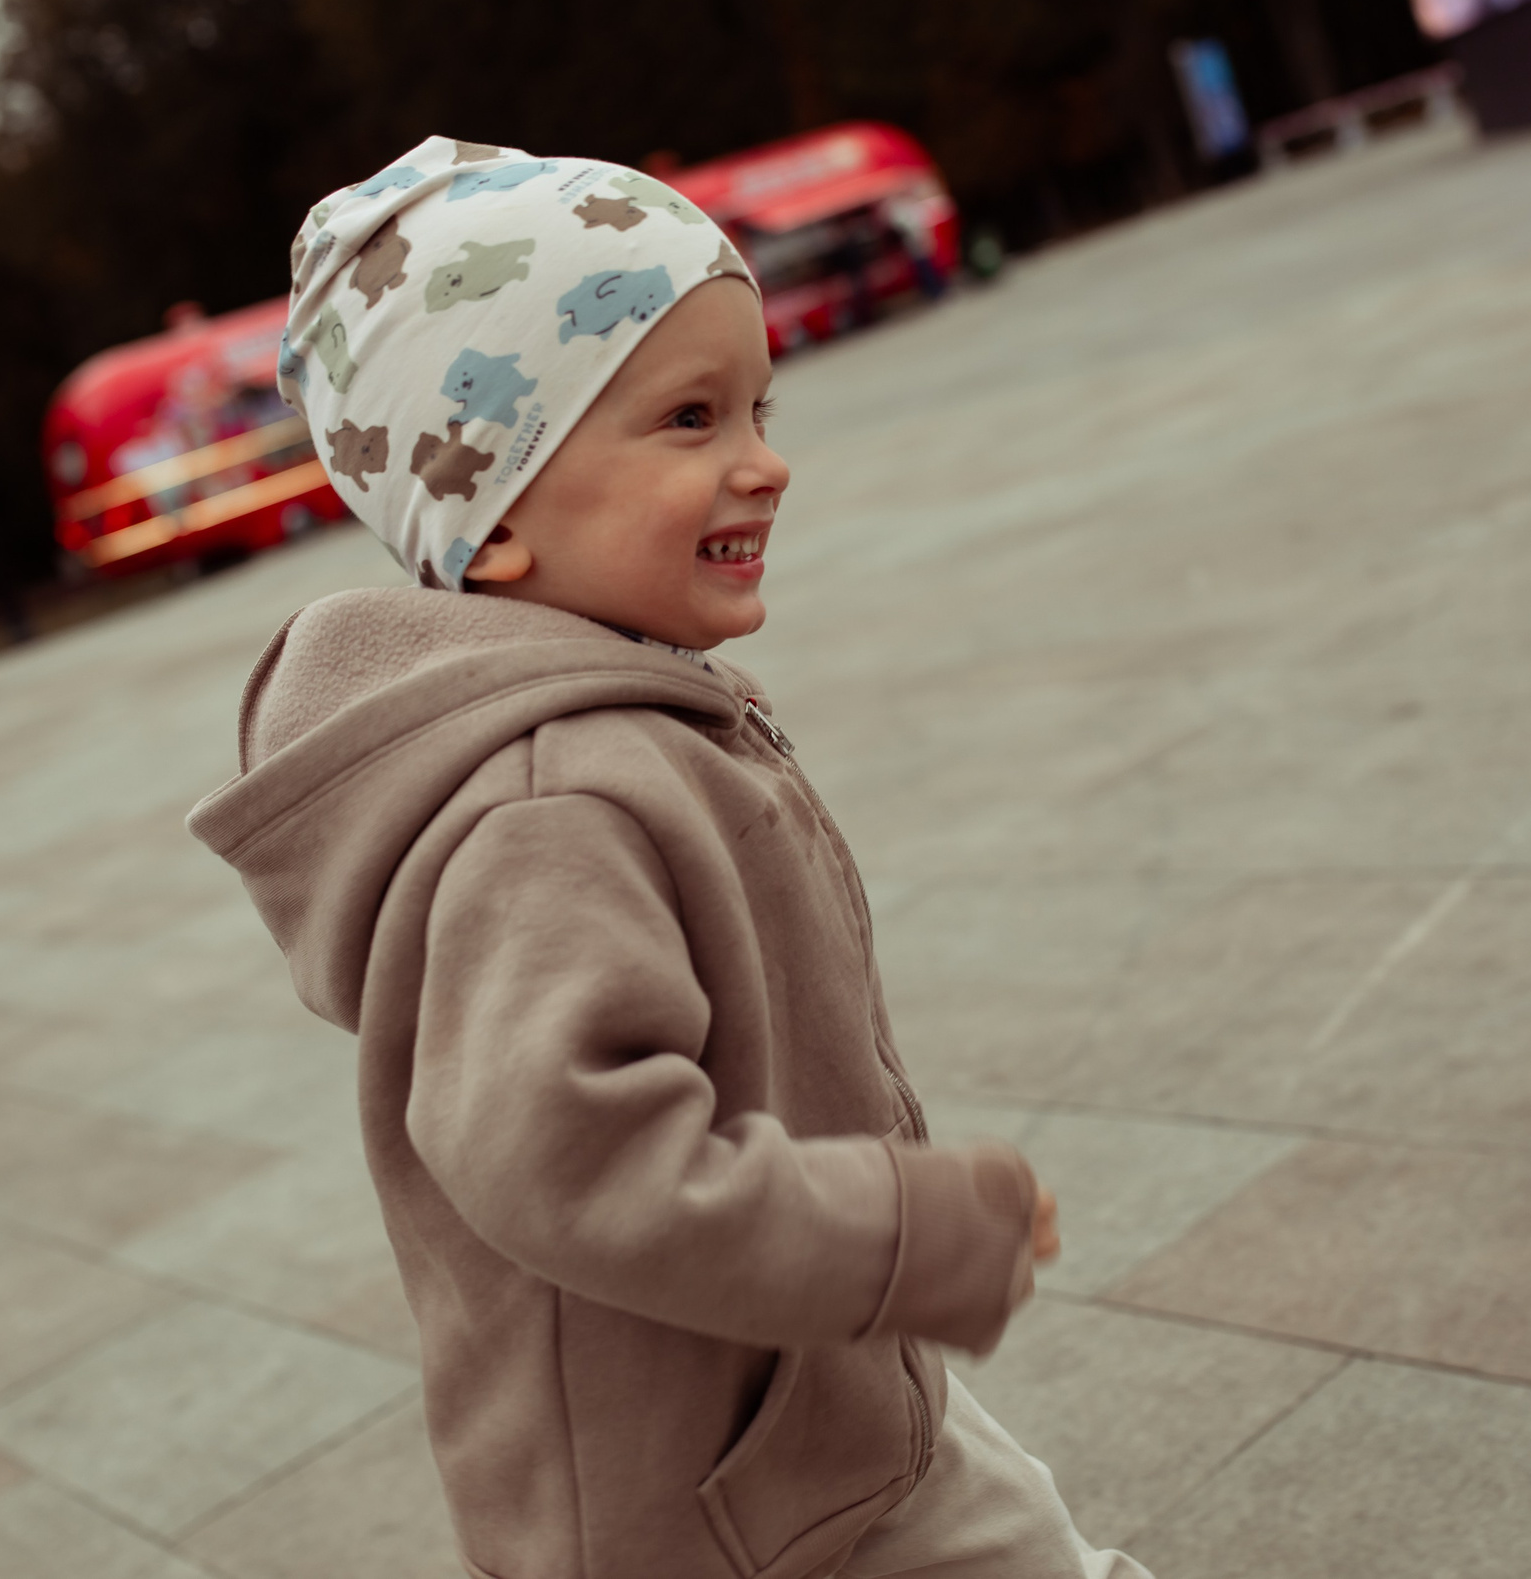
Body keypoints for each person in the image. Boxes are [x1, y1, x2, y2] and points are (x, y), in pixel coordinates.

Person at [189, 138, 1147, 1579]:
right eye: (689, 418)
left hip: (796, 1420)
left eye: (758, 403)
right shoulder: (543, 800)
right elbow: (581, 1160)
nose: (763, 459)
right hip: (725, 1517)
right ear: (496, 516)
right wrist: (914, 1231)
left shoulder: (615, 712)